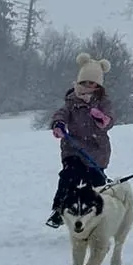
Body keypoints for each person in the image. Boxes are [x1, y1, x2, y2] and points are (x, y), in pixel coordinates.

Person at [47, 53, 114, 226]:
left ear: (98, 85)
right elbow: (62, 113)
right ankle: (60, 209)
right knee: (70, 175)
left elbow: (110, 120)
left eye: (92, 83)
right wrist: (59, 123)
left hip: (96, 149)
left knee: (97, 185)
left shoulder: (103, 101)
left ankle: (100, 214)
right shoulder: (72, 100)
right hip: (74, 148)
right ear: (79, 81)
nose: (88, 86)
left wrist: (102, 120)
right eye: (85, 82)